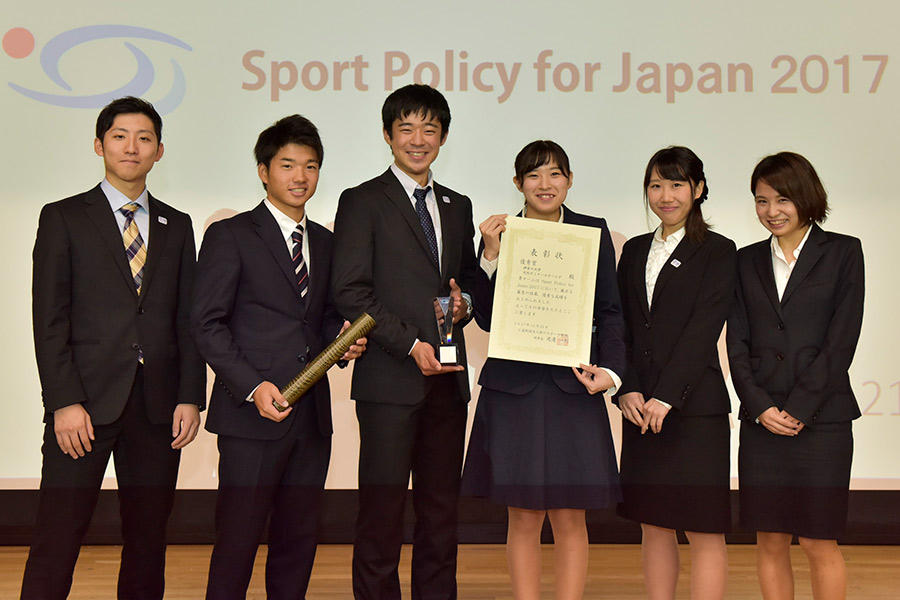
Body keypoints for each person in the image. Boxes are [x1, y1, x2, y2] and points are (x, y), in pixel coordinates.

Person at [23, 96, 205, 600]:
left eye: (144, 138)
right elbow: (49, 317)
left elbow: (187, 319)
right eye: (120, 136)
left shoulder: (177, 223)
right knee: (58, 533)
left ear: (160, 151)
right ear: (99, 145)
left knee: (148, 539)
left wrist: (190, 395)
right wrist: (63, 401)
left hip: (157, 406)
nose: (132, 147)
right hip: (83, 404)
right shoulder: (62, 217)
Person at [191, 114, 366, 599]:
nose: (300, 177)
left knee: (298, 540)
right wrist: (252, 387)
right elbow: (207, 324)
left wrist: (343, 341)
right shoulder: (231, 235)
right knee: (237, 541)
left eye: (310, 166)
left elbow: (326, 317)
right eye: (288, 165)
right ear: (264, 171)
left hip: (310, 417)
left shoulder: (328, 243)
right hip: (251, 416)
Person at [460, 140, 625, 600]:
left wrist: (611, 372)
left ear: (570, 181)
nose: (545, 184)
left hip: (574, 388)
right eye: (533, 175)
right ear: (518, 184)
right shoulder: (500, 233)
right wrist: (489, 256)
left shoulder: (592, 231)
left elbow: (610, 311)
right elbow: (488, 320)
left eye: (555, 174)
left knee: (572, 514)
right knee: (523, 514)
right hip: (514, 391)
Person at [331, 83, 478, 600]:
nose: (418, 140)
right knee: (381, 510)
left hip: (448, 383)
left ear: (443, 136)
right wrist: (410, 343)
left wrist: (467, 306)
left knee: (442, 511)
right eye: (407, 129)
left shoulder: (458, 205)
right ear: (389, 135)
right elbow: (350, 291)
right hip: (390, 381)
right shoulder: (362, 200)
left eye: (430, 130)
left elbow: (463, 286)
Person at [728, 152, 864, 600]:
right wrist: (761, 406)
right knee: (769, 540)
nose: (771, 211)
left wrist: (799, 408)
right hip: (762, 424)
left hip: (822, 422)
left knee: (817, 540)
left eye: (782, 199)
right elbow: (737, 344)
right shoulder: (744, 261)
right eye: (761, 200)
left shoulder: (843, 251)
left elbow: (840, 344)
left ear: (806, 198)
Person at [614, 146, 736, 600]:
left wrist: (665, 396)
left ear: (698, 190)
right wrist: (626, 387)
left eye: (677, 184)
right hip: (640, 408)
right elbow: (620, 324)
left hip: (692, 409)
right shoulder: (634, 251)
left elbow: (704, 330)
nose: (665, 195)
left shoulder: (720, 251)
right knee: (654, 526)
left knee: (704, 530)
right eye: (656, 185)